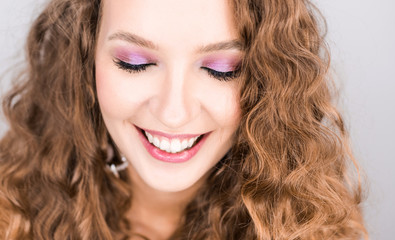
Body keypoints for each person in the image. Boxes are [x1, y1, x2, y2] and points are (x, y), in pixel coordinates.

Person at [0, 0, 368, 239]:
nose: (173, 113)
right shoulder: (9, 214)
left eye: (221, 69)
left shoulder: (312, 228)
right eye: (134, 63)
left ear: (267, 78)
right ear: (84, 58)